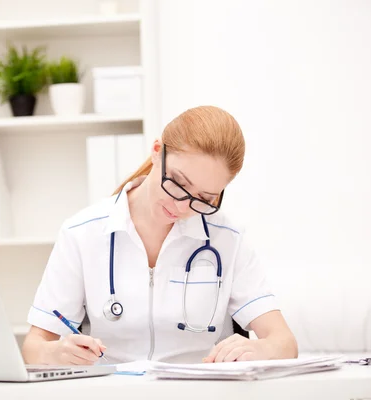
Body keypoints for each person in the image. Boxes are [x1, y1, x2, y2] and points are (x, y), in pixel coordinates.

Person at [22, 105, 298, 365]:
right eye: (178, 182)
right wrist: (56, 352)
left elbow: (284, 342)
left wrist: (261, 348)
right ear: (157, 151)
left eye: (203, 198)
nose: (181, 206)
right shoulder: (82, 233)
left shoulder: (227, 239)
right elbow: (34, 347)